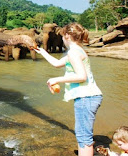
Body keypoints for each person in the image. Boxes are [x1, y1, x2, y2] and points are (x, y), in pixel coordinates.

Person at [35, 22, 103, 156]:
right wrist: (42, 51)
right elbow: (57, 64)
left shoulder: (73, 53)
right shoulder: (77, 50)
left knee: (83, 137)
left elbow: (81, 76)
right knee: (82, 133)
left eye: (62, 36)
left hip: (86, 97)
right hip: (89, 97)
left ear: (66, 36)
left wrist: (56, 79)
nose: (61, 39)